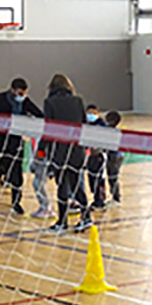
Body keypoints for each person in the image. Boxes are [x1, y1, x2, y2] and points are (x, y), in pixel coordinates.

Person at [43, 74, 92, 233]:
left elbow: (48, 129)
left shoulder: (50, 102)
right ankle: (86, 218)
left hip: (60, 150)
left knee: (62, 185)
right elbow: (84, 124)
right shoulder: (78, 101)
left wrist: (42, 151)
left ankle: (62, 222)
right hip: (77, 149)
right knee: (77, 184)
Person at [0, 78, 44, 214]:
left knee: (16, 174)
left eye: (24, 93)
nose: (21, 96)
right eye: (19, 93)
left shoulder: (25, 102)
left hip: (15, 143)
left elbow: (40, 114)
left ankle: (16, 202)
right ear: (12, 90)